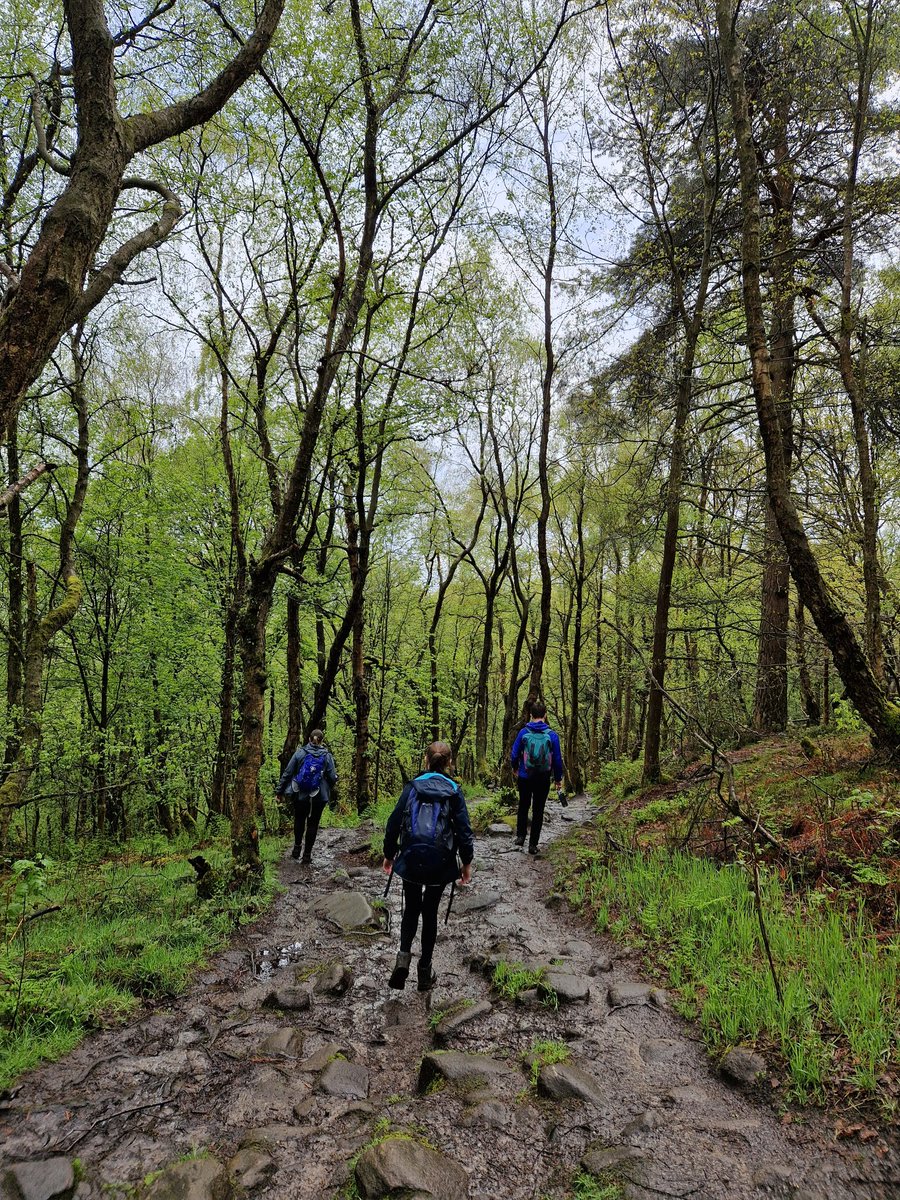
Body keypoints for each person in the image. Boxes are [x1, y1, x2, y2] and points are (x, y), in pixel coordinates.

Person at [382, 741, 474, 992]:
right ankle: (424, 971)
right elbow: (464, 832)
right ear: (449, 763)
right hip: (440, 862)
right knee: (430, 911)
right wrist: (466, 863)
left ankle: (403, 957)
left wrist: (389, 855)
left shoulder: (412, 787)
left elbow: (393, 823)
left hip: (411, 857)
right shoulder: (454, 791)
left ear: (425, 760)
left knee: (411, 908)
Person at [510, 699, 565, 855]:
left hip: (525, 776)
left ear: (530, 715)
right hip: (543, 778)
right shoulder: (552, 735)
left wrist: (515, 768)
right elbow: (557, 760)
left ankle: (520, 837)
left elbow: (514, 754)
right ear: (545, 715)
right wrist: (558, 778)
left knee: (523, 805)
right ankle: (533, 845)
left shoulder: (523, 732)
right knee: (538, 810)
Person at [276, 729, 338, 864]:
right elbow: (332, 777)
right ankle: (307, 855)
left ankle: (297, 848)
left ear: (309, 739)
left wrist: (279, 792)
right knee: (313, 824)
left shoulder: (300, 753)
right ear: (322, 741)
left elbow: (287, 772)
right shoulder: (327, 756)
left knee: (299, 820)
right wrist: (328, 786)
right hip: (319, 796)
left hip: (300, 794)